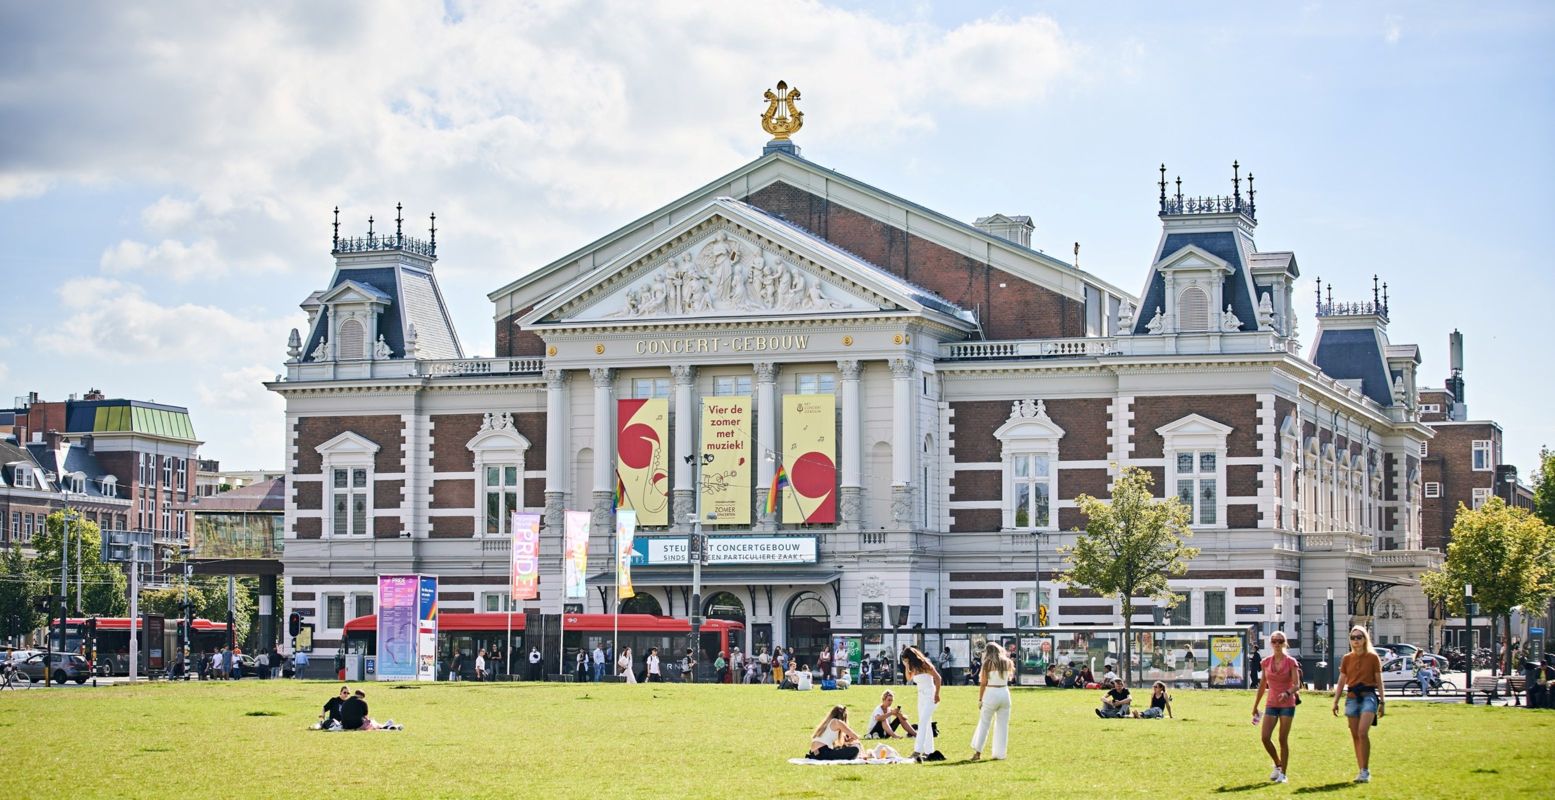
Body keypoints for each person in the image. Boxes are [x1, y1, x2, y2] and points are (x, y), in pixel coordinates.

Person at [1332, 625, 1384, 784]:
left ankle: (1365, 770)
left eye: (1359, 637)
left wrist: (1383, 701)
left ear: (1365, 639)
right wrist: (1335, 700)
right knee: (1355, 735)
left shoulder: (1373, 657)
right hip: (1352, 697)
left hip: (1368, 696)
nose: (1356, 641)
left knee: (1362, 732)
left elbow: (1379, 680)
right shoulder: (1347, 658)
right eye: (1353, 638)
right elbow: (1342, 680)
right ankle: (1361, 769)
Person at [1251, 631, 1300, 784]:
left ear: (1285, 643)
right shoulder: (1266, 662)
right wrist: (1256, 706)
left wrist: (1287, 692)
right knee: (1265, 737)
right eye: (1274, 641)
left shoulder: (1291, 661)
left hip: (1287, 704)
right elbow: (1262, 686)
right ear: (1271, 644)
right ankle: (1278, 764)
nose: (1277, 644)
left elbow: (1297, 685)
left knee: (1282, 739)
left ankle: (1283, 774)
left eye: (1280, 641)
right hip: (1271, 703)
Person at [970, 641, 1014, 761]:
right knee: (1002, 726)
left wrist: (980, 699)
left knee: (984, 724)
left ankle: (978, 752)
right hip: (1005, 693)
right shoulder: (1008, 662)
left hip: (991, 693)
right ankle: (1000, 754)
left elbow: (983, 683)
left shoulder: (987, 663)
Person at [901, 645, 942, 761]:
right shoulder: (913, 667)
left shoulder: (925, 664)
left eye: (906, 659)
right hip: (921, 695)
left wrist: (937, 694)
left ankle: (917, 750)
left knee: (923, 722)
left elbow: (938, 678)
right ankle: (929, 751)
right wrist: (906, 665)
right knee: (926, 722)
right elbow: (908, 678)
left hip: (930, 694)